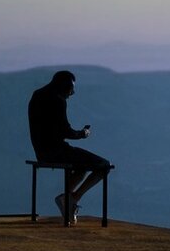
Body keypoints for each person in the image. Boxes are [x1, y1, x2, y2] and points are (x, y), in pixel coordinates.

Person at [28, 70, 111, 224]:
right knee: (103, 165)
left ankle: (67, 199)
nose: (72, 93)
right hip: (58, 151)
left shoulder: (37, 95)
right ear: (63, 86)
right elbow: (65, 131)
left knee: (82, 168)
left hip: (41, 151)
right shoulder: (58, 100)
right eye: (70, 89)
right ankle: (72, 197)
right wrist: (82, 134)